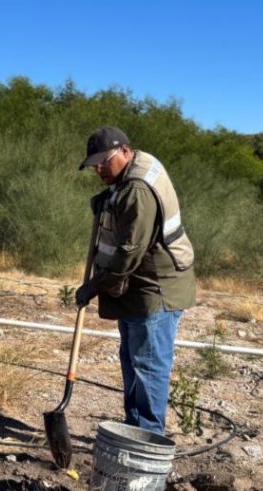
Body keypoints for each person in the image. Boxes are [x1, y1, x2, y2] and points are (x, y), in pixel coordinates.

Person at [75, 127, 196, 435]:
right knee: (132, 360)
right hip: (138, 285)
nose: (99, 169)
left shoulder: (137, 190)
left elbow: (129, 252)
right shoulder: (128, 177)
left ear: (125, 152)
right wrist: (108, 200)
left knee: (148, 366)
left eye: (104, 162)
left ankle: (147, 439)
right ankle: (134, 427)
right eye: (95, 165)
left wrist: (95, 286)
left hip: (156, 288)